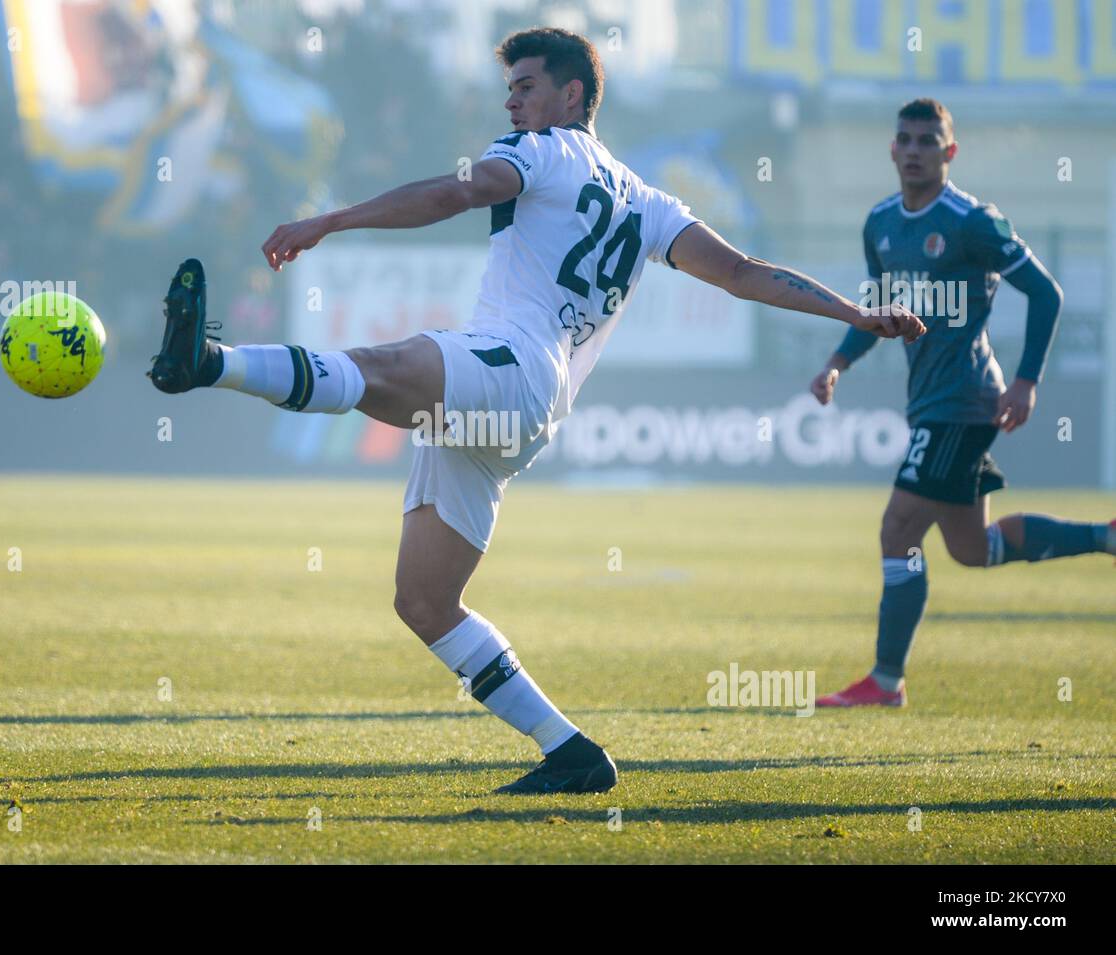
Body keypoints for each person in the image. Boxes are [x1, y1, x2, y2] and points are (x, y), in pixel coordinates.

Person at [149, 28, 924, 791]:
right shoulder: (649, 201)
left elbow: (457, 191)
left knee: (383, 364)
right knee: (424, 601)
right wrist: (855, 314)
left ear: (571, 94)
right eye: (511, 89)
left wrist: (330, 220)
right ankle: (572, 751)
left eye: (525, 86)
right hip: (527, 413)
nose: (512, 101)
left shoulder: (545, 150)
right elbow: (743, 272)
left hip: (510, 368)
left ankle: (208, 364)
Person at [811, 98, 1114, 709]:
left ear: (950, 152)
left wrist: (1026, 381)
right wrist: (836, 364)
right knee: (972, 550)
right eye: (906, 139)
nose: (916, 150)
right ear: (892, 150)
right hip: (929, 402)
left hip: (964, 400)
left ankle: (885, 681)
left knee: (899, 528)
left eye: (929, 141)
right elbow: (878, 311)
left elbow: (1046, 294)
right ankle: (1105, 537)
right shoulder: (880, 224)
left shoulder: (974, 221)